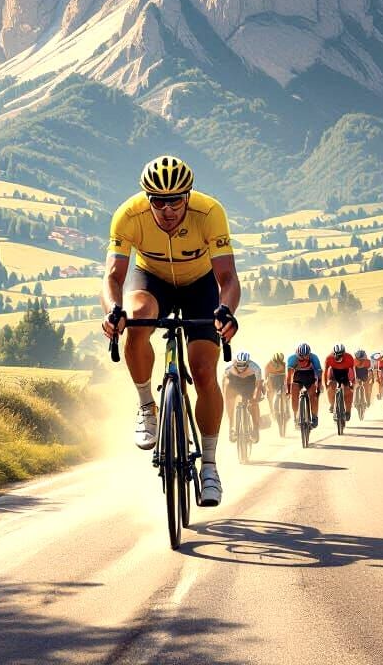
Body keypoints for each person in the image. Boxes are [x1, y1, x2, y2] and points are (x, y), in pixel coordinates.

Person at [101, 155, 240, 508]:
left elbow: (227, 278)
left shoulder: (210, 213)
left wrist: (226, 312)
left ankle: (210, 466)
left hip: (200, 285)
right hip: (153, 280)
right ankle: (147, 406)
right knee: (136, 320)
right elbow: (113, 277)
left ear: (188, 196)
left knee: (204, 370)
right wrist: (113, 312)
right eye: (158, 201)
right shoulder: (128, 215)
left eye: (175, 201)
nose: (166, 210)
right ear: (147, 198)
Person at [224, 351, 262, 442]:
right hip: (235, 383)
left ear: (248, 363)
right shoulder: (229, 368)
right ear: (235, 363)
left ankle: (255, 429)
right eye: (239, 365)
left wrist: (255, 397)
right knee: (228, 399)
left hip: (249, 384)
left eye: (244, 365)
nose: (241, 368)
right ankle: (231, 427)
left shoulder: (256, 368)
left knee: (253, 404)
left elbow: (258, 385)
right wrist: (225, 398)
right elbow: (225, 382)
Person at [286, 342, 322, 429]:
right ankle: (295, 417)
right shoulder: (292, 359)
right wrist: (288, 391)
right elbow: (289, 377)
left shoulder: (314, 358)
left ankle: (314, 417)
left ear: (309, 355)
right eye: (301, 357)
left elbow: (319, 375)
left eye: (306, 357)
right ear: (297, 354)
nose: (303, 359)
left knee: (313, 396)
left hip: (310, 375)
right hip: (298, 375)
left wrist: (318, 388)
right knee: (294, 396)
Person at [324, 343, 355, 421]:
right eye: (337, 355)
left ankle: (348, 411)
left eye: (341, 355)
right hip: (334, 374)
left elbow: (352, 371)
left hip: (345, 374)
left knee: (348, 391)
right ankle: (332, 404)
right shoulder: (329, 358)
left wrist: (352, 384)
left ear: (344, 353)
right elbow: (325, 372)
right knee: (330, 386)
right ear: (334, 353)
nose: (339, 356)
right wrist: (326, 385)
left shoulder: (349, 357)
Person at [264, 351, 287, 417]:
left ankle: (285, 408)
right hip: (272, 380)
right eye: (276, 362)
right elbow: (266, 377)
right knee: (270, 395)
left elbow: (287, 376)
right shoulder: (268, 364)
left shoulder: (284, 364)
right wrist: (267, 387)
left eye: (280, 362)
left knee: (284, 393)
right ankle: (272, 411)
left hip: (281, 379)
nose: (278, 364)